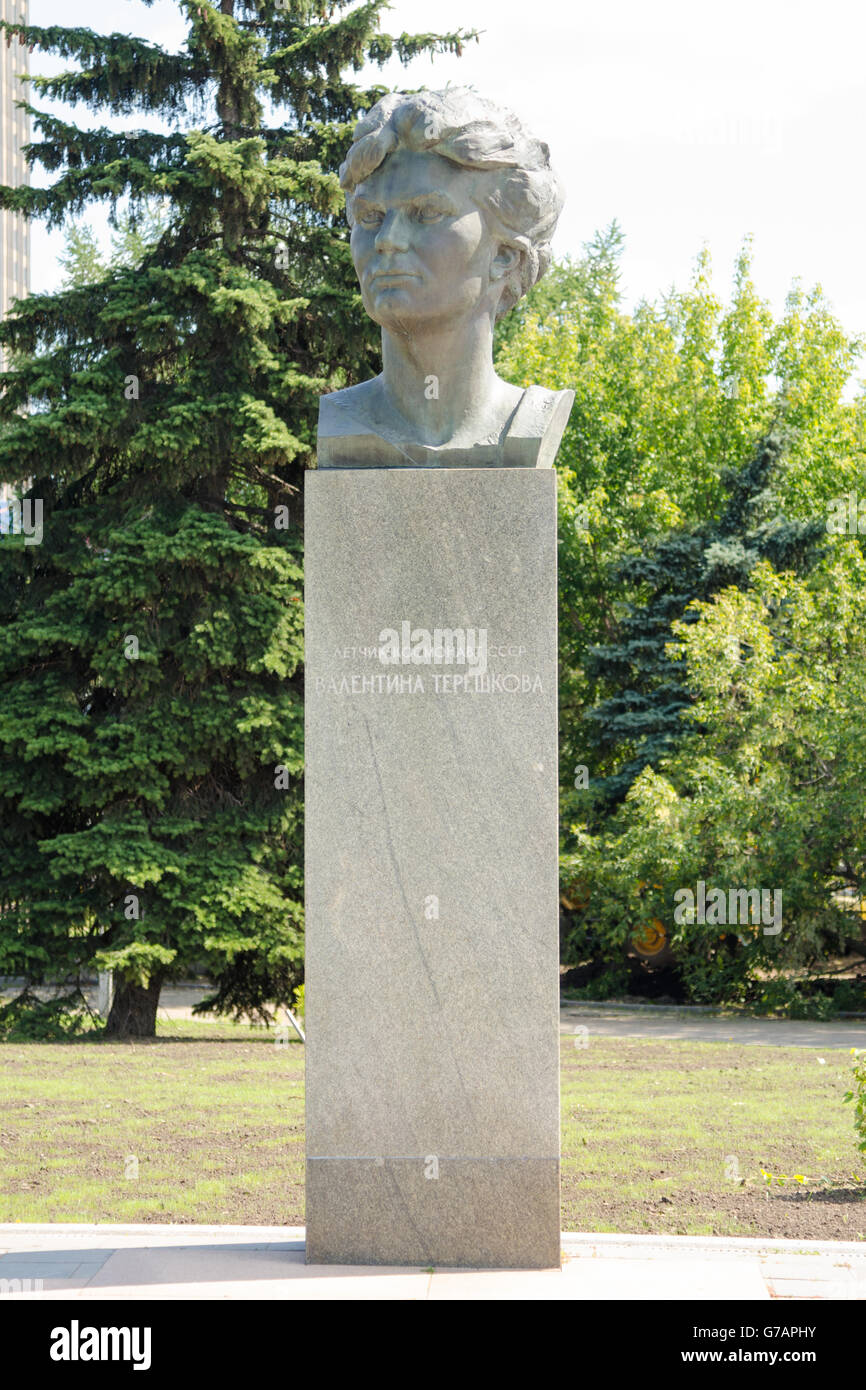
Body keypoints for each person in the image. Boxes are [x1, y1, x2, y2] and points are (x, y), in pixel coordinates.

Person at [317, 88, 574, 469]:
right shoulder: (342, 423)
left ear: (504, 255)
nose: (387, 240)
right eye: (370, 216)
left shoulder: (529, 424)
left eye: (426, 213)